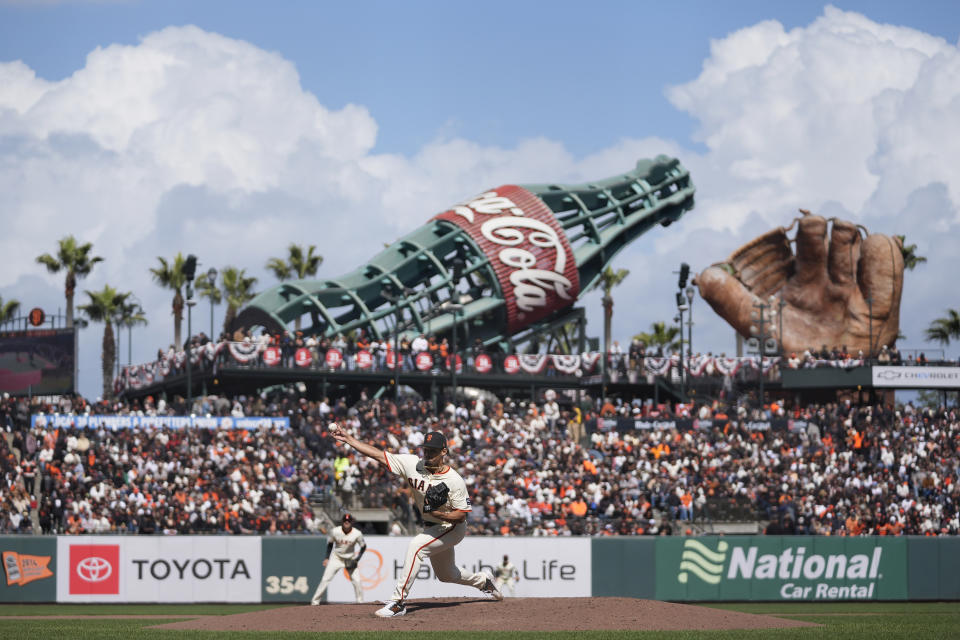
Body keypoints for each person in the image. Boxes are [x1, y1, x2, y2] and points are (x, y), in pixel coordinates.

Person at [328, 423, 501, 618]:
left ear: (444, 451)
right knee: (447, 575)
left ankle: (398, 602)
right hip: (432, 527)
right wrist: (349, 439)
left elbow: (461, 514)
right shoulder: (413, 464)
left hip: (451, 527)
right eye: (425, 450)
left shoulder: (454, 480)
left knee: (416, 547)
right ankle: (484, 581)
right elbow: (378, 455)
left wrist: (439, 515)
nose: (427, 454)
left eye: (432, 451)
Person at [310, 513, 366, 605]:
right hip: (336, 558)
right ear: (342, 522)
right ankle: (315, 602)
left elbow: (363, 546)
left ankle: (360, 602)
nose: (346, 522)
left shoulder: (357, 533)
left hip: (350, 559)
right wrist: (327, 558)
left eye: (348, 521)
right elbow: (330, 544)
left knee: (357, 581)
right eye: (345, 521)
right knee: (325, 579)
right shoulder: (335, 531)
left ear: (351, 522)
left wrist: (357, 559)